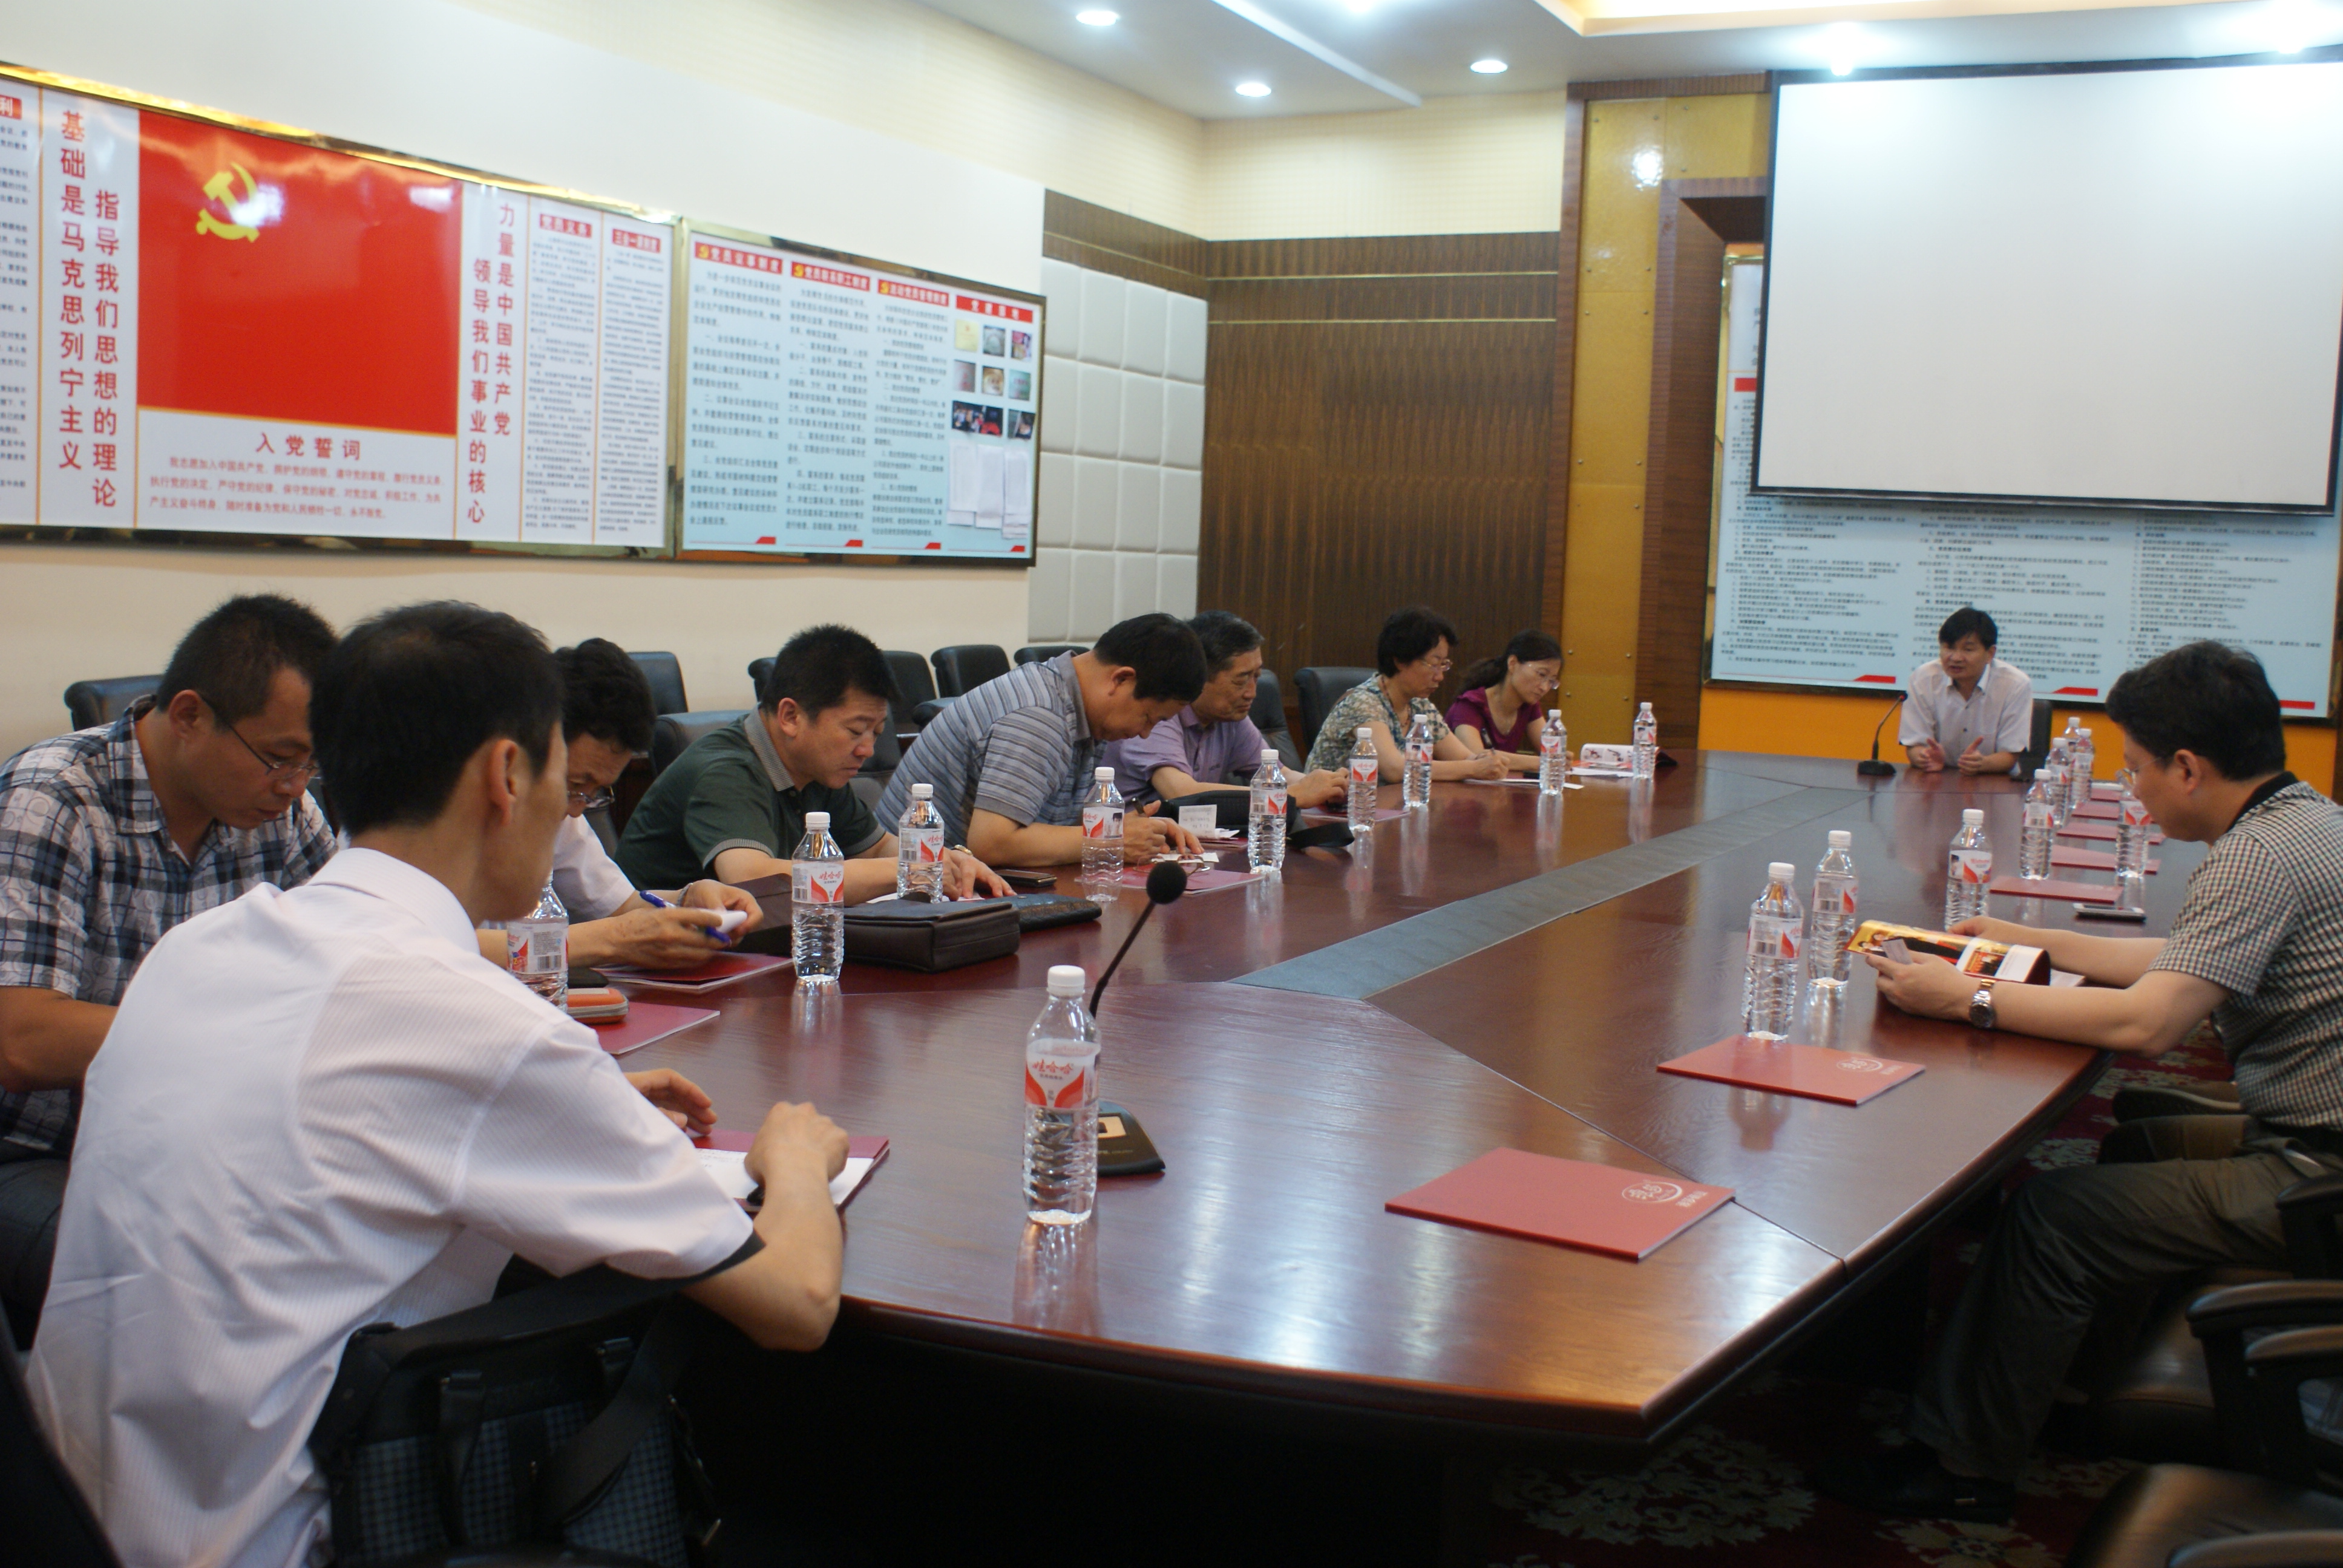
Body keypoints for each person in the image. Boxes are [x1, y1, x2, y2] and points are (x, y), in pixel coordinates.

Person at [28, 601, 851, 1568]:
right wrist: (798, 1162)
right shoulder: (478, 1024)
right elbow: (796, 1304)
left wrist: (553, 1109)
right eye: (567, 785)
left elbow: (351, 1096)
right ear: (506, 776)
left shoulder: (198, 950)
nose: (570, 816)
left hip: (70, 1518)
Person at [1826, 640, 2343, 1523]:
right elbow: (2187, 957)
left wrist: (1969, 998)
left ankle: (1963, 1465)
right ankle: (2069, 1391)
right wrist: (2028, 942)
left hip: (2315, 1175)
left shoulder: (2257, 857)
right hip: (2312, 1144)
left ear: (2188, 768)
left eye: (2135, 767)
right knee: (2138, 1144)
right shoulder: (2305, 821)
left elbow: (2148, 1024)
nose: (2129, 787)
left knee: (2051, 1219)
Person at [0, 593, 338, 1345]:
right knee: (201, 1278)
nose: (295, 786)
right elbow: (22, 1041)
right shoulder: (54, 799)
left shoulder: (279, 811)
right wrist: (239, 1031)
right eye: (280, 758)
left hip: (196, 1136)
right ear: (189, 715)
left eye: (312, 764)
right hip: (35, 1150)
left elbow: (364, 943)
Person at [619, 624, 1006, 903]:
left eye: (876, 732)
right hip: (653, 970)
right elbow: (752, 881)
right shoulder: (726, 771)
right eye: (855, 731)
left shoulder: (816, 771)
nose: (867, 750)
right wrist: (908, 869)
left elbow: (875, 849)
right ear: (791, 716)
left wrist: (948, 859)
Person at [472, 638, 763, 970]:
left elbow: (618, 905)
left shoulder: (566, 809)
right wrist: (612, 939)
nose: (577, 809)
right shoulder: (449, 813)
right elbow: (446, 947)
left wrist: (689, 899)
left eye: (597, 791)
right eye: (575, 784)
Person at [877, 614, 1210, 866]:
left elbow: (1050, 825)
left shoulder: (1078, 706)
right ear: (1121, 679)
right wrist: (1112, 840)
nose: (1145, 733)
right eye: (1149, 717)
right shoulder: (1039, 714)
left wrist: (1131, 829)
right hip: (911, 887)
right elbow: (992, 844)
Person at [1103, 612, 1343, 809]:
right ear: (1200, 677)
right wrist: (1288, 796)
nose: (1252, 693)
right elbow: (1181, 792)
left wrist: (1330, 787)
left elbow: (1281, 777)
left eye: (1256, 677)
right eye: (1241, 681)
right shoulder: (1159, 713)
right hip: (1122, 841)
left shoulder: (1230, 717)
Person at [1302, 607, 1509, 782]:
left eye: (1444, 665)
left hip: (1389, 808)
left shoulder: (1420, 706)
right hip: (1334, 811)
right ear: (1400, 660)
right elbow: (1395, 769)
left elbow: (1464, 758)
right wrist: (1474, 768)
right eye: (1434, 664)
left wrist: (1485, 762)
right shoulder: (1363, 702)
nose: (1440, 677)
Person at [1899, 606, 2033, 776]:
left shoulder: (2015, 685)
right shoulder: (1923, 679)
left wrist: (1982, 763)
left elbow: (2010, 755)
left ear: (1990, 654)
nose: (1955, 658)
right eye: (1949, 648)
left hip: (1994, 780)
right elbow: (1914, 746)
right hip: (1937, 777)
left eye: (1968, 650)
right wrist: (1925, 757)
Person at [1444, 629, 1562, 774]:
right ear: (1513, 663)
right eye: (1541, 674)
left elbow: (1552, 753)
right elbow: (1478, 757)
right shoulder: (1470, 704)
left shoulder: (1529, 705)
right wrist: (1543, 762)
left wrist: (1560, 758)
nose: (1545, 688)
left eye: (1551, 681)